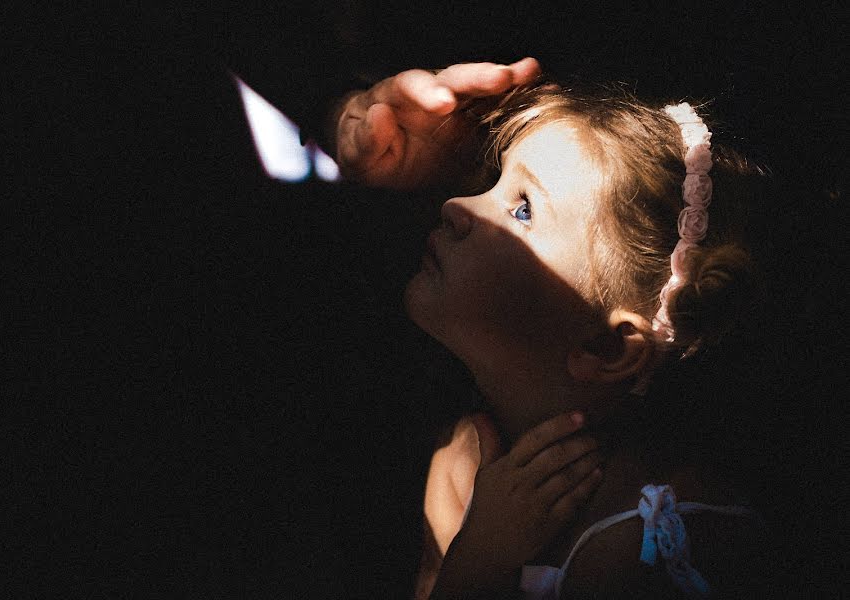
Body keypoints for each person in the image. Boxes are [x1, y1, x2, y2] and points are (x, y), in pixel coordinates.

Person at [329, 58, 774, 598]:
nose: (453, 205)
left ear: (607, 347)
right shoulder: (463, 458)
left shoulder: (639, 552)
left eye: (522, 209)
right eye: (495, 182)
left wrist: (477, 563)